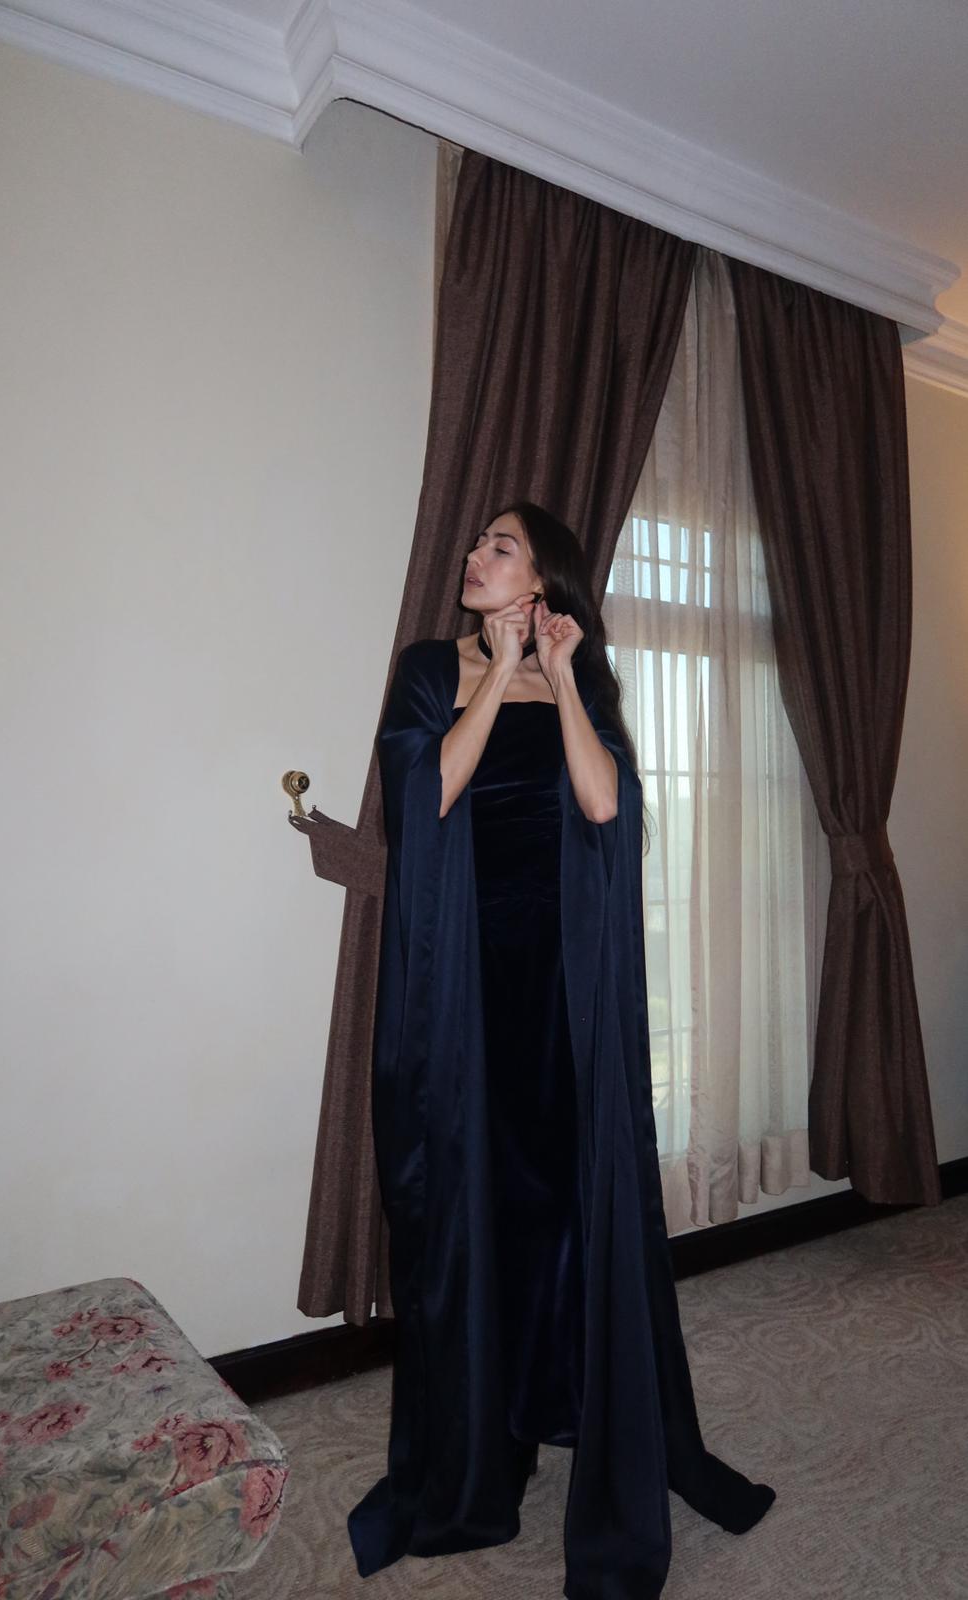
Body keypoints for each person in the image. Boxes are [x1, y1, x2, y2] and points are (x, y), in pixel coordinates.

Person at [347, 502, 775, 1599]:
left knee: (563, 1208)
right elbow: (425, 796)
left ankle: (560, 1400)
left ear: (544, 581)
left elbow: (603, 803)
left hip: (562, 994)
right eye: (479, 544)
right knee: (471, 1206)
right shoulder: (430, 669)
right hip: (462, 989)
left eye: (500, 547)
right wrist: (497, 670)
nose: (474, 556)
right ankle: (480, 1448)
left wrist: (565, 677)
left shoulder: (582, 681)